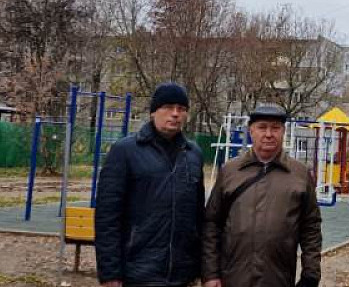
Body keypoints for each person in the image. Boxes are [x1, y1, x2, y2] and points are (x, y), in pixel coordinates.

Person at [95, 82, 204, 287]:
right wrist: (110, 273)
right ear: (154, 112)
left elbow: (198, 216)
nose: (175, 114)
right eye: (168, 108)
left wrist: (199, 267)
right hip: (138, 271)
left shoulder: (193, 155)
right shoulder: (125, 151)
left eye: (181, 109)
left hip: (182, 274)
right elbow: (107, 216)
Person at [202, 104, 322, 287]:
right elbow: (212, 223)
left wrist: (310, 275)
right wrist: (210, 274)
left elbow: (311, 227)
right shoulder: (230, 171)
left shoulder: (299, 174)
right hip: (233, 277)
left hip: (278, 277)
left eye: (275, 128)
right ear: (251, 131)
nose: (268, 134)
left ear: (283, 132)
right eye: (262, 127)